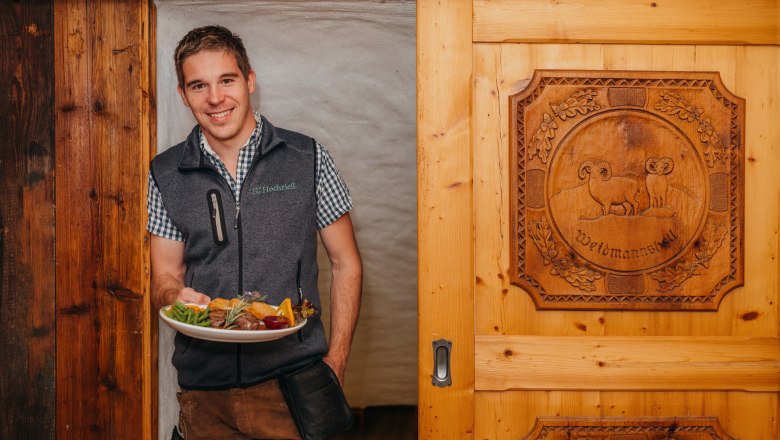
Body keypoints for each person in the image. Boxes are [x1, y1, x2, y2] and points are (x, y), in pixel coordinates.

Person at [147, 25, 362, 439]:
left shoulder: (307, 158)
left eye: (226, 80)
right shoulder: (165, 173)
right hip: (204, 396)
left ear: (249, 80)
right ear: (182, 94)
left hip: (291, 390)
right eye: (198, 86)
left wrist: (335, 362)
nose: (214, 98)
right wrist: (176, 296)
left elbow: (345, 262)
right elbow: (165, 276)